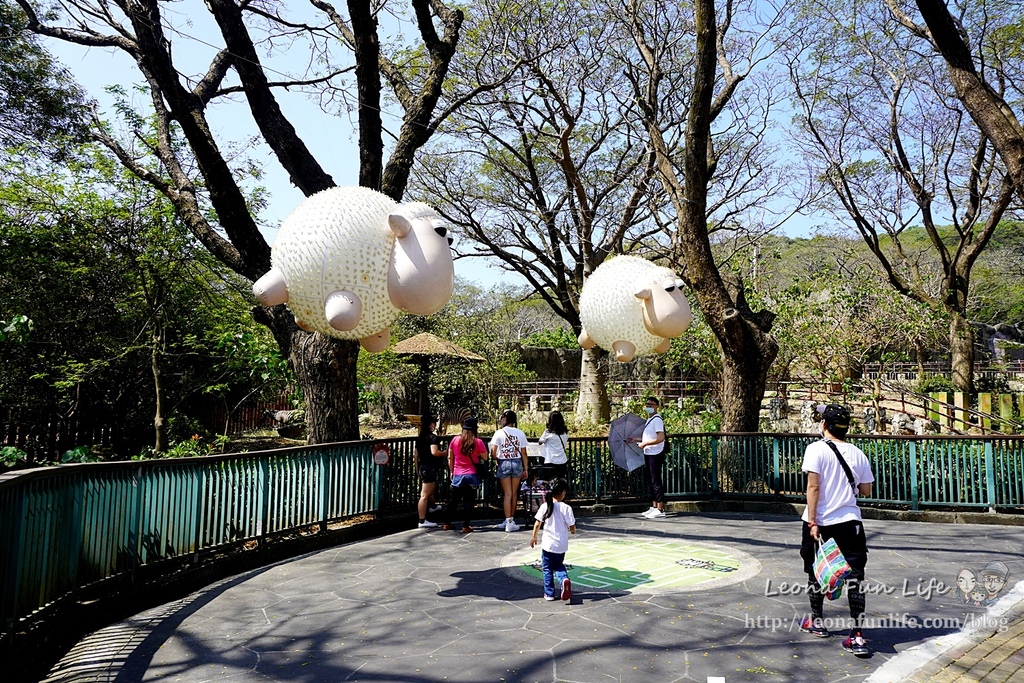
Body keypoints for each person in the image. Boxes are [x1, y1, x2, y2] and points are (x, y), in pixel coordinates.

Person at [799, 403, 875, 658]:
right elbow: (866, 490)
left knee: (816, 570)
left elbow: (813, 488)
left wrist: (812, 521)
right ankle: (857, 635)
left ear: (823, 426)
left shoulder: (815, 450)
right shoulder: (857, 453)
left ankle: (817, 622)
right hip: (850, 522)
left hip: (821, 522)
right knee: (855, 578)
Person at [529, 478, 576, 603]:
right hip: (561, 545)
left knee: (547, 568)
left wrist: (534, 537)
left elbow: (537, 523)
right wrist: (572, 530)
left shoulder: (546, 506)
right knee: (559, 565)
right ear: (563, 492)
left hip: (548, 545)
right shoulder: (566, 508)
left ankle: (549, 593)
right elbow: (572, 527)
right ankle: (564, 579)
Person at [444, 417, 487, 533]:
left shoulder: (455, 440)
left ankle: (446, 523)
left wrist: (452, 471)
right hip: (472, 474)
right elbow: (485, 457)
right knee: (469, 501)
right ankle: (465, 526)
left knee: (454, 500)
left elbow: (450, 457)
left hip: (458, 473)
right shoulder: (478, 442)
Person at [490, 410, 529, 532]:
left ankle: (507, 521)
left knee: (507, 494)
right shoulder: (520, 433)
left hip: (504, 462)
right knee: (514, 493)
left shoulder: (499, 433)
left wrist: (497, 459)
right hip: (517, 462)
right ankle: (511, 520)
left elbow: (493, 451)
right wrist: (526, 468)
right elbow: (524, 452)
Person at [629, 396, 667, 519]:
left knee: (656, 480)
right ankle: (654, 506)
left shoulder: (657, 420)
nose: (649, 407)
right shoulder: (649, 419)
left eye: (651, 405)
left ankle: (660, 508)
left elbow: (660, 438)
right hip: (649, 452)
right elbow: (649, 436)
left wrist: (645, 444)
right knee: (650, 480)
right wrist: (637, 440)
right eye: (647, 404)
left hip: (655, 452)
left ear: (657, 406)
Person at [414, 414, 446, 528]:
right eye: (434, 422)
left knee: (430, 491)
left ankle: (432, 507)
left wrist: (417, 469)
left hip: (423, 467)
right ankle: (422, 521)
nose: (435, 424)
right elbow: (434, 452)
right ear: (430, 424)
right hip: (429, 467)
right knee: (424, 495)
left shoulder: (420, 438)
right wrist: (445, 452)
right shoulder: (432, 437)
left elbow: (415, 454)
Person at [538, 410, 569, 482]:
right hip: (562, 461)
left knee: (549, 482)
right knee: (560, 483)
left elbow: (540, 442)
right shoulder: (565, 432)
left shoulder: (548, 432)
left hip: (550, 460)